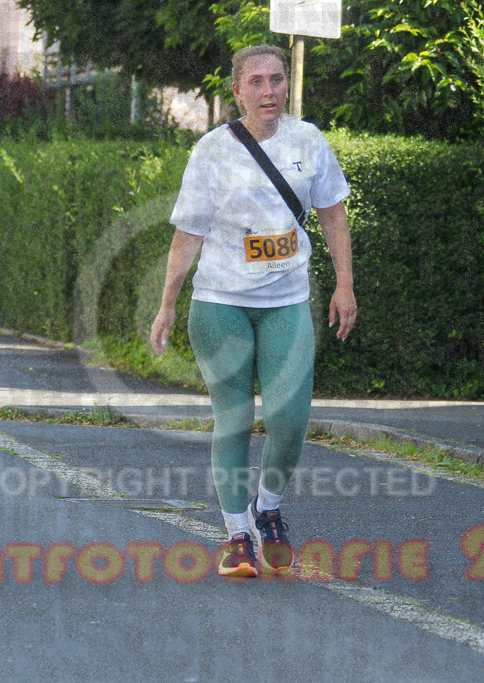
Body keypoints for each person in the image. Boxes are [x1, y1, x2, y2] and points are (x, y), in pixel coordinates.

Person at [150, 44, 357, 578]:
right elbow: (187, 234)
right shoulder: (212, 151)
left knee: (290, 417)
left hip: (286, 299)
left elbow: (333, 216)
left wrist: (344, 285)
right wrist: (168, 303)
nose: (269, 92)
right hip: (221, 302)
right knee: (234, 418)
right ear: (237, 91)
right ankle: (236, 535)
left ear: (288, 85)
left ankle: (268, 510)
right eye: (257, 83)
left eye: (277, 80)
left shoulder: (309, 142)